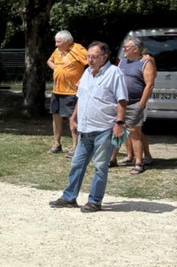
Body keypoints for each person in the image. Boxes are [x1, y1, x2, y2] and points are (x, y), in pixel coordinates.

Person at [49, 41, 128, 213]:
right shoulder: (87, 73)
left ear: (104, 57)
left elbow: (122, 100)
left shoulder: (115, 73)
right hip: (85, 129)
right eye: (88, 56)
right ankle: (69, 198)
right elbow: (81, 97)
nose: (90, 60)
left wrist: (119, 123)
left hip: (104, 129)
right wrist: (73, 117)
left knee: (100, 166)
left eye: (94, 57)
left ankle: (94, 201)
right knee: (77, 164)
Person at [109, 35, 156, 174]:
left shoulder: (145, 63)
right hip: (121, 103)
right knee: (118, 130)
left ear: (135, 49)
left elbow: (149, 85)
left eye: (126, 47)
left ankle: (139, 163)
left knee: (135, 133)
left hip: (135, 103)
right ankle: (112, 159)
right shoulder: (121, 63)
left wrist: (141, 105)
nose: (123, 49)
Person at [46, 30, 87, 157]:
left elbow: (92, 63)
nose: (56, 45)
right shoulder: (58, 51)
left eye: (58, 42)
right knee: (55, 116)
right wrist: (57, 69)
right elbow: (49, 61)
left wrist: (83, 79)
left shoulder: (78, 49)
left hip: (71, 91)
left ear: (67, 42)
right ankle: (57, 144)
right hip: (56, 90)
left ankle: (76, 146)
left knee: (72, 118)